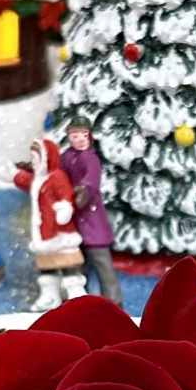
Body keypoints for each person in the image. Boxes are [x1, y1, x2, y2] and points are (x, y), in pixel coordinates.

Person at [15, 136, 86, 309]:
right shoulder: (38, 178)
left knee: (68, 265)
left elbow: (65, 195)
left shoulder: (57, 176)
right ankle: (49, 296)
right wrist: (14, 176)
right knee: (47, 267)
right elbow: (27, 182)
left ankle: (77, 296)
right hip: (44, 232)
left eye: (35, 158)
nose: (33, 162)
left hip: (60, 232)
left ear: (46, 158)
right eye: (31, 158)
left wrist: (65, 209)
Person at [58, 118, 122, 304]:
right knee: (78, 265)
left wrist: (82, 193)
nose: (79, 139)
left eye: (83, 135)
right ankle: (80, 300)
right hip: (74, 221)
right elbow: (58, 174)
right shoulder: (67, 156)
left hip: (93, 222)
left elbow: (91, 181)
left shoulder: (90, 157)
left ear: (90, 136)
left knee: (103, 265)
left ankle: (114, 302)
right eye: (74, 135)